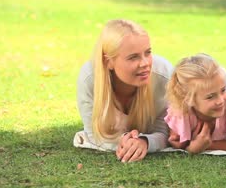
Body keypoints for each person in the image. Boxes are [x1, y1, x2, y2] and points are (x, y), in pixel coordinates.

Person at [73, 19, 173, 163]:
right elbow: (93, 133)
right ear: (108, 62)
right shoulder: (90, 78)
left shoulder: (163, 76)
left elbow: (165, 132)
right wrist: (124, 142)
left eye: (148, 52)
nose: (145, 63)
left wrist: (145, 142)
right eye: (133, 57)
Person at [165, 53, 226, 154]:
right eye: (210, 97)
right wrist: (190, 148)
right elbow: (179, 144)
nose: (220, 100)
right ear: (188, 99)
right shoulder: (180, 110)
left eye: (223, 90)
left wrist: (205, 145)